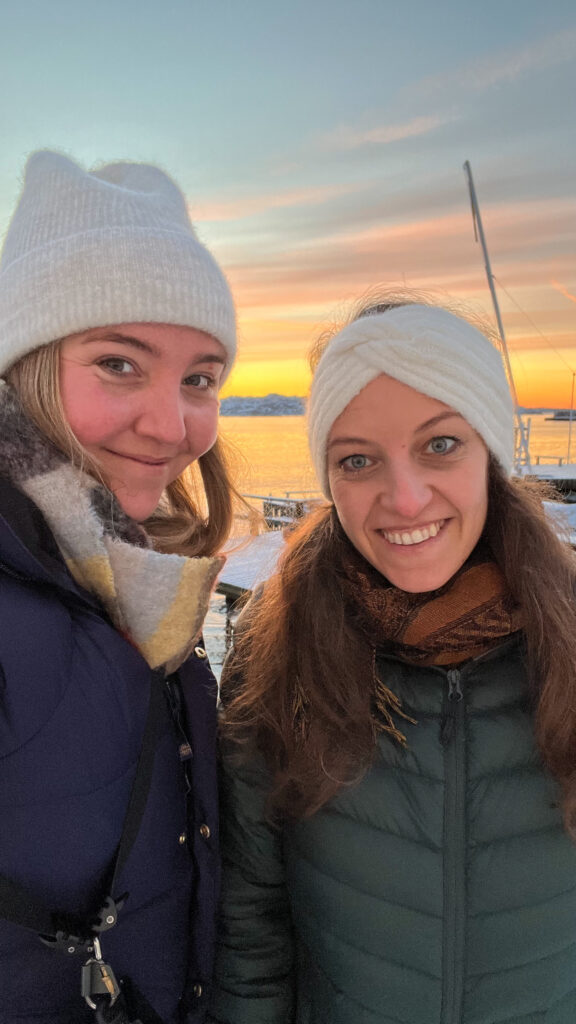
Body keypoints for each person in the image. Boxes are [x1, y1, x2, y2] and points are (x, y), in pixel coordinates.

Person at [209, 296, 576, 1024]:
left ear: (491, 454)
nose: (405, 500)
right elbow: (253, 927)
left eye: (440, 444)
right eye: (357, 459)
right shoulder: (275, 652)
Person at [0, 150, 238, 1023]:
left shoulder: (129, 574)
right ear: (27, 363)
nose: (172, 424)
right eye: (119, 363)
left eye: (201, 379)